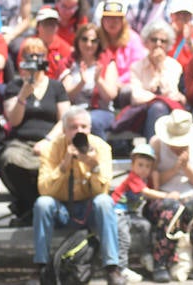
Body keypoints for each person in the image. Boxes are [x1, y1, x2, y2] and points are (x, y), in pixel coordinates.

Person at [31, 107, 124, 285]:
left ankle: (112, 268)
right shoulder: (51, 149)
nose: (79, 131)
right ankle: (39, 268)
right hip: (63, 210)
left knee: (104, 202)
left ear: (90, 128)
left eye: (84, 126)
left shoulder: (101, 148)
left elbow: (102, 191)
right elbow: (44, 190)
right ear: (64, 130)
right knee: (43, 204)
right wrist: (64, 165)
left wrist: (93, 166)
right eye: (74, 127)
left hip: (89, 211)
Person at [0, 38, 70, 223]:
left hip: (50, 140)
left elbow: (65, 120)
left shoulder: (56, 86)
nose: (34, 59)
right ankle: (33, 206)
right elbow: (14, 121)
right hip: (22, 142)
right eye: (29, 56)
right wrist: (23, 95)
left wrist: (47, 140)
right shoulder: (14, 86)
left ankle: (33, 209)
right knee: (9, 159)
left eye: (38, 55)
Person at [147, 110, 193, 282]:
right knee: (171, 209)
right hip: (164, 195)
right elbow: (154, 182)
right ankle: (161, 263)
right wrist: (175, 169)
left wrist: (186, 168)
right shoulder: (156, 143)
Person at [110, 144, 166, 280]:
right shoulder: (133, 178)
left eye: (148, 166)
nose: (144, 169)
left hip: (131, 213)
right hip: (117, 211)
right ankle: (121, 268)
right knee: (124, 237)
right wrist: (169, 196)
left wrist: (155, 175)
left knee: (145, 226)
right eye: (140, 165)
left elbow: (154, 188)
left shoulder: (145, 179)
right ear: (133, 164)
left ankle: (145, 256)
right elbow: (147, 193)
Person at [128, 21, 186, 140]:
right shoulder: (136, 66)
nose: (158, 44)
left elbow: (171, 93)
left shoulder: (174, 66)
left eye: (163, 41)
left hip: (169, 113)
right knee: (157, 107)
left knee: (158, 107)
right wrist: (157, 98)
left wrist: (160, 67)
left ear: (168, 44)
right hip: (141, 114)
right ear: (147, 42)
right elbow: (136, 96)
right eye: (154, 40)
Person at [59, 23, 118, 140]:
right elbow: (65, 96)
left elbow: (110, 96)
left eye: (94, 41)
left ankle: (98, 156)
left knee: (91, 121)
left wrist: (98, 80)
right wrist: (81, 83)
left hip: (101, 111)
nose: (89, 44)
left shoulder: (107, 62)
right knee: (72, 122)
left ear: (99, 42)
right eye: (84, 39)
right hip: (75, 110)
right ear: (78, 40)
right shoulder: (69, 63)